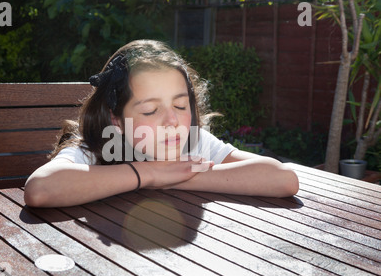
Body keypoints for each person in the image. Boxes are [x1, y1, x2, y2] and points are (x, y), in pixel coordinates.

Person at [24, 40, 298, 208]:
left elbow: (283, 179)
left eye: (180, 105)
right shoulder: (95, 149)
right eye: (152, 110)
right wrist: (150, 173)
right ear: (116, 120)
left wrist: (176, 178)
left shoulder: (194, 141)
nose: (173, 120)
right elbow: (41, 190)